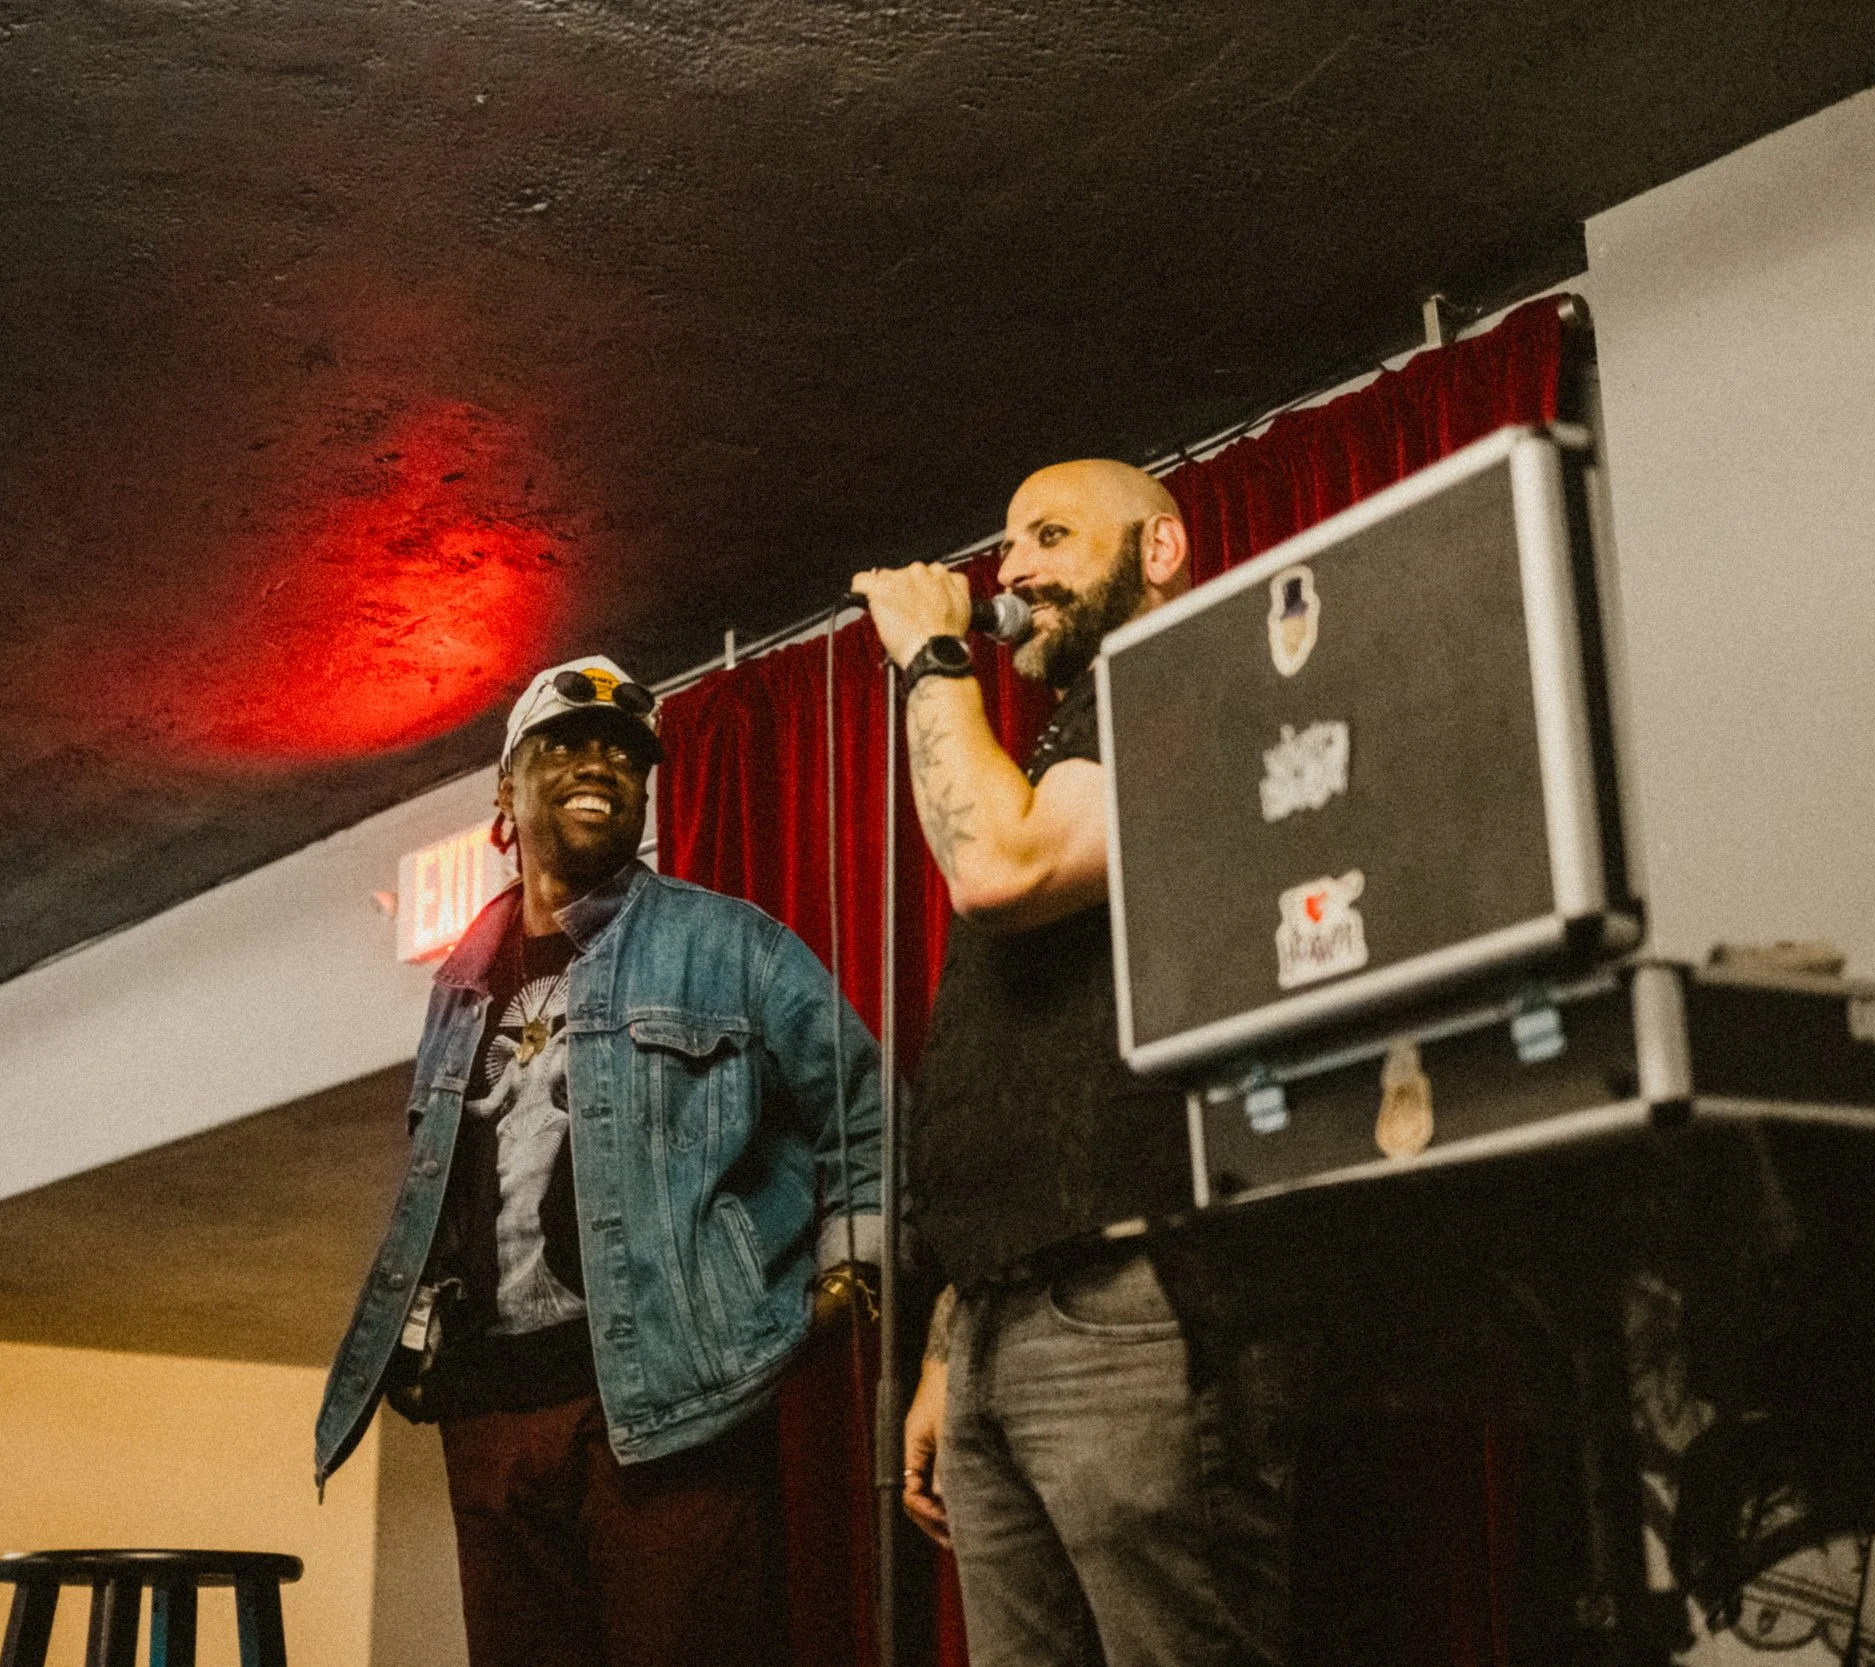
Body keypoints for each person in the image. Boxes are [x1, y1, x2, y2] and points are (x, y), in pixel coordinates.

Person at [314, 656, 884, 1667]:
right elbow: (452, 1180)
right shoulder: (462, 978)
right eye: (566, 745)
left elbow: (865, 1108)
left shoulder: (725, 941)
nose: (599, 765)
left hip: (669, 1410)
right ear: (506, 788)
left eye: (624, 753)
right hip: (489, 1411)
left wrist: (841, 1270)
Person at [854, 461, 1303, 1667]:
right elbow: (1021, 1062)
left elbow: (1002, 870)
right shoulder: (1059, 739)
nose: (1013, 571)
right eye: (1006, 547)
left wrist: (931, 663)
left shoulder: (1185, 677)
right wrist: (957, 1334)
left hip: (1135, 1302)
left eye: (1051, 535)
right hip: (1009, 1313)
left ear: (1158, 550)